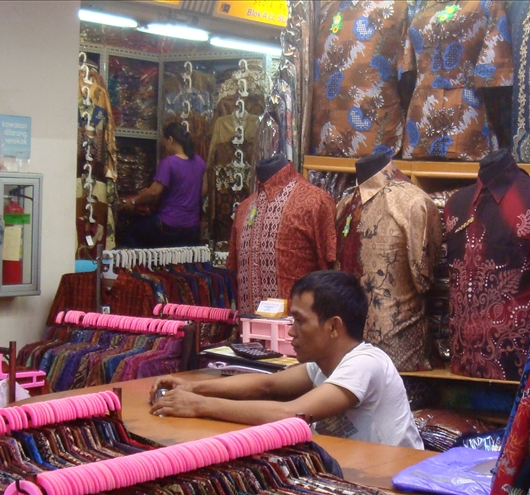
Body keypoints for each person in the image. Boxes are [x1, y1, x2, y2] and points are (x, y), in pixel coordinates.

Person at [149, 270, 424, 449]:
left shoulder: (366, 363)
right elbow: (265, 386)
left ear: (334, 327)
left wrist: (199, 405)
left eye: (300, 321)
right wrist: (190, 387)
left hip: (394, 486)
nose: (291, 331)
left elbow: (290, 414)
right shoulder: (322, 366)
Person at [119, 122, 207, 248]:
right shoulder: (199, 162)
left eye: (164, 141)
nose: (164, 145)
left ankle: (141, 267)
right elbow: (203, 191)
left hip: (168, 226)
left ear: (170, 140)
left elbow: (154, 192)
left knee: (131, 233)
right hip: (192, 229)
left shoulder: (169, 163)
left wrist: (133, 201)